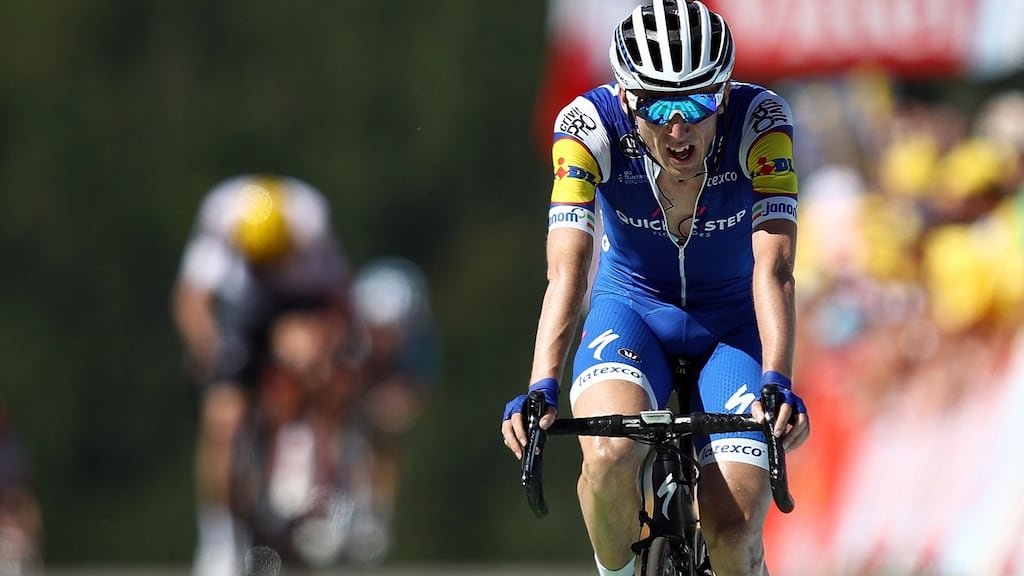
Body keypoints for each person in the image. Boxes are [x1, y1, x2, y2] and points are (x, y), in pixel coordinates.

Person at [500, 2, 811, 575]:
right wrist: (542, 381)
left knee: (732, 532)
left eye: (698, 101)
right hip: (631, 311)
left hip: (733, 329)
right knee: (610, 456)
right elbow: (568, 271)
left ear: (724, 91)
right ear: (624, 98)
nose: (679, 126)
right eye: (658, 104)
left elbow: (775, 268)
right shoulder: (585, 127)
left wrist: (778, 381)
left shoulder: (761, 122)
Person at [171, 174, 351, 576]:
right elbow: (191, 300)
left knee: (311, 360)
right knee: (223, 417)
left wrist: (326, 351)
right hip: (244, 309)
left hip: (299, 304)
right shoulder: (221, 218)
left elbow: (338, 297)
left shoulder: (310, 221)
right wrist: (209, 349)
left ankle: (313, 484)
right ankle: (220, 534)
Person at [348, 256, 441, 564]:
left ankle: (376, 515)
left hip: (375, 420)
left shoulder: (413, 343)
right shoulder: (346, 340)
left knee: (389, 422)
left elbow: (414, 392)